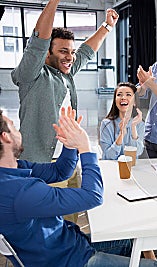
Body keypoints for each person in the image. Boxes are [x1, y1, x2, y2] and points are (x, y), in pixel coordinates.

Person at [0, 107, 157, 267]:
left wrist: (70, 145)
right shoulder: (19, 192)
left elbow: (60, 171)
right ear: (5, 137)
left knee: (130, 242)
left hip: (71, 246)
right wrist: (85, 148)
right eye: (13, 125)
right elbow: (92, 196)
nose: (18, 129)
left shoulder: (13, 170)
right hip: (70, 260)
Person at [11, 0, 118, 223]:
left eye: (71, 51)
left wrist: (106, 26)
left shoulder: (65, 74)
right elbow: (38, 42)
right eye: (63, 51)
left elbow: (87, 52)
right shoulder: (33, 75)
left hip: (70, 159)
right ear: (46, 54)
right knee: (48, 225)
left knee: (73, 222)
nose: (70, 56)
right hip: (42, 165)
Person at [100, 82, 145, 160]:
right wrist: (121, 135)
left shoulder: (140, 124)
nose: (123, 97)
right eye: (119, 95)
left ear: (134, 102)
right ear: (115, 100)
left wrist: (133, 128)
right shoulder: (106, 124)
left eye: (128, 94)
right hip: (111, 168)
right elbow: (108, 156)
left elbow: (138, 152)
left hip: (132, 168)